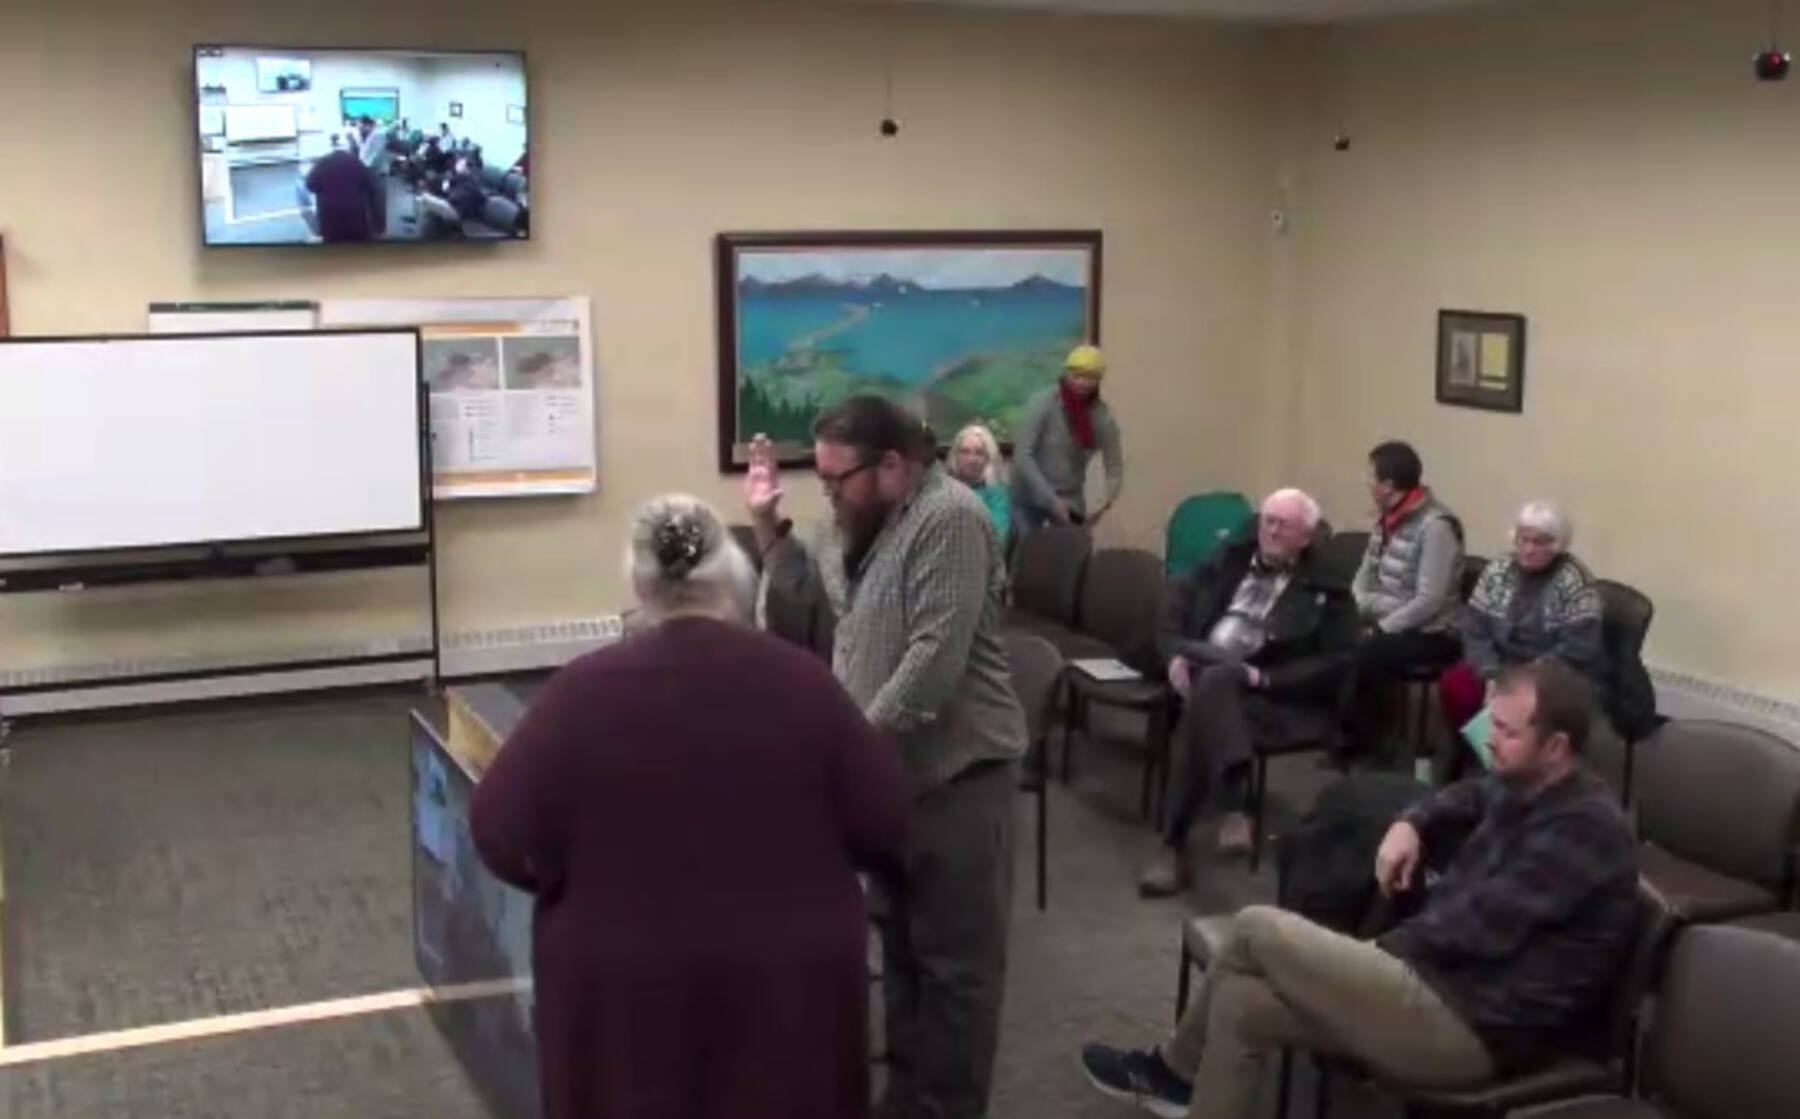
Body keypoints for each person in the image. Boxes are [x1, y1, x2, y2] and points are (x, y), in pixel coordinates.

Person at [471, 494, 909, 1119]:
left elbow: (499, 833)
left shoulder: (579, 694)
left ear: (637, 582)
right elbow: (885, 820)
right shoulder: (805, 683)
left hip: (625, 1005)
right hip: (788, 1006)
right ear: (731, 573)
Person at [1082, 658, 1640, 1119]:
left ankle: (1172, 1075)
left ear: (1557, 748)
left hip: (1477, 1029)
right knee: (1240, 1002)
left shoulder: (1585, 830)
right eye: (1491, 724)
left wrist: (1366, 956)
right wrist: (1410, 824)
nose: (1489, 742)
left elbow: (1474, 931)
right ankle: (1180, 1085)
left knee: (1256, 928)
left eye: (1507, 732)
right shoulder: (1525, 781)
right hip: (1441, 986)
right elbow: (1464, 797)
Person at [745, 394, 1028, 1119]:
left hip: (962, 780)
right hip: (896, 778)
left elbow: (932, 663)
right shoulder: (866, 522)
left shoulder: (952, 519)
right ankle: (905, 1103)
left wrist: (846, 751)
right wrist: (768, 529)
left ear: (894, 465)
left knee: (957, 979)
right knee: (902, 959)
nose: (830, 493)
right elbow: (830, 604)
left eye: (840, 479)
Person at [1139, 489, 1357, 894]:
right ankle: (1234, 803)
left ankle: (1173, 845)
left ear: (1306, 537)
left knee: (1212, 690)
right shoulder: (1231, 557)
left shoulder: (1330, 590)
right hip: (1205, 665)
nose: (1270, 531)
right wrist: (1174, 654)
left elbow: (1336, 663)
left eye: (1283, 525)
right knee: (1215, 678)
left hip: (1271, 695)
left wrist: (1263, 679)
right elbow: (1178, 597)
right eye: (1267, 521)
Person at [1436, 500, 1607, 781]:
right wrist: (1489, 673)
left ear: (1557, 545)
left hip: (1552, 673)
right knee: (1456, 684)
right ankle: (1472, 758)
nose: (1528, 549)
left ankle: (1521, 774)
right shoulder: (1498, 570)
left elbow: (1578, 649)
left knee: (1526, 707)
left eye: (1539, 542)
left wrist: (1518, 682)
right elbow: (1475, 629)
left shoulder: (1575, 582)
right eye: (1523, 540)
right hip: (1499, 664)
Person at [1346, 440, 1465, 753]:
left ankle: (1364, 742)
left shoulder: (1436, 527)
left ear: (1388, 486)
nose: (1367, 484)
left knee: (1371, 652)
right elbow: (1364, 574)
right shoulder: (1386, 518)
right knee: (1334, 634)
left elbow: (1429, 600)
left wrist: (1383, 626)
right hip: (1388, 616)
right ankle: (1337, 727)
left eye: (1371, 478)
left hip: (1433, 632)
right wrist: (1358, 603)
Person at [1009, 344, 1123, 530]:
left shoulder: (1101, 417)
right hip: (1028, 497)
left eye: (1090, 377)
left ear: (1098, 380)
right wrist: (1051, 500)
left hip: (1070, 498)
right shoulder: (1043, 403)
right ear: (1066, 374)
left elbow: (1114, 468)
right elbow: (1022, 456)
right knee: (1026, 554)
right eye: (1077, 375)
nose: (1082, 383)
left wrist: (1102, 504)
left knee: (1074, 553)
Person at [947, 422, 1011, 547]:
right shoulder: (943, 489)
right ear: (955, 456)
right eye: (965, 452)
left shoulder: (997, 495)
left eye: (979, 453)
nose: (971, 459)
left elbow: (998, 540)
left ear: (988, 458)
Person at [303, 144, 378, 242]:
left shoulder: (322, 163)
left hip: (330, 215)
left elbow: (310, 185)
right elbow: (370, 186)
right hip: (355, 213)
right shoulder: (356, 162)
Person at [352, 114, 393, 237]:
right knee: (370, 202)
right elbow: (363, 153)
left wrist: (362, 167)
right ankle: (373, 227)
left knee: (378, 203)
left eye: (360, 126)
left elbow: (374, 156)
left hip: (378, 173)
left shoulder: (378, 135)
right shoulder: (366, 136)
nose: (358, 128)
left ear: (367, 125)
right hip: (368, 173)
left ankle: (380, 230)